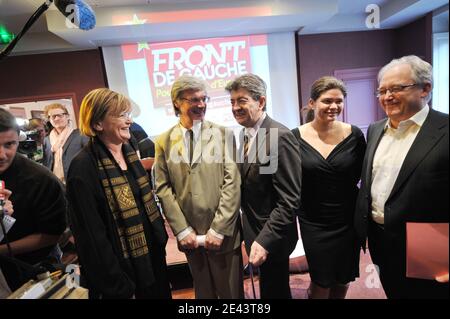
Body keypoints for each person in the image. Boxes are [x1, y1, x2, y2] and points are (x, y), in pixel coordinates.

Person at [354, 55, 449, 299]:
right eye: (382, 90)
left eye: (397, 88)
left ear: (425, 89)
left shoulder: (445, 130)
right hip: (380, 239)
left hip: (429, 244)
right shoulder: (375, 129)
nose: (387, 96)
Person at [66, 88, 171, 299]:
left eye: (128, 114)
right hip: (121, 279)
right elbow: (91, 238)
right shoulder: (83, 167)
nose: (129, 121)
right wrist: (118, 285)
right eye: (122, 115)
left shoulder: (129, 153)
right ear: (97, 124)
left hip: (152, 264)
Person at [154, 75, 243, 299]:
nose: (201, 105)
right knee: (203, 294)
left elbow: (233, 182)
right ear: (177, 102)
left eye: (204, 99)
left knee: (230, 296)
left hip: (224, 235)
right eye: (193, 100)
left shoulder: (224, 134)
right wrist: (182, 230)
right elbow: (163, 188)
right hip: (190, 237)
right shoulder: (163, 141)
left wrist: (219, 228)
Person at [225, 74, 301, 299]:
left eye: (242, 100)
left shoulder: (280, 137)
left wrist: (265, 241)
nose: (235, 107)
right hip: (254, 231)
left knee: (275, 292)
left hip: (273, 237)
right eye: (232, 102)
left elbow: (289, 200)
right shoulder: (246, 133)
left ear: (261, 101)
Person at [291, 76, 366, 299]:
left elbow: (364, 173)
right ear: (312, 103)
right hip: (314, 220)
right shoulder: (294, 137)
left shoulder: (354, 135)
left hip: (347, 219)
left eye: (339, 101)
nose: (334, 106)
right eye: (327, 101)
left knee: (343, 278)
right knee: (321, 280)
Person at [0, 108, 66, 291]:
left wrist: (2, 250)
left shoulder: (41, 180)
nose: (2, 155)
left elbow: (52, 234)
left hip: (34, 270)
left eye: (9, 144)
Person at [43, 103, 88, 184]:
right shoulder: (47, 140)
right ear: (49, 120)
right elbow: (47, 162)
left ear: (67, 116)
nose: (56, 119)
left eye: (60, 115)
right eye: (53, 116)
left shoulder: (81, 135)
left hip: (77, 182)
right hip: (55, 183)